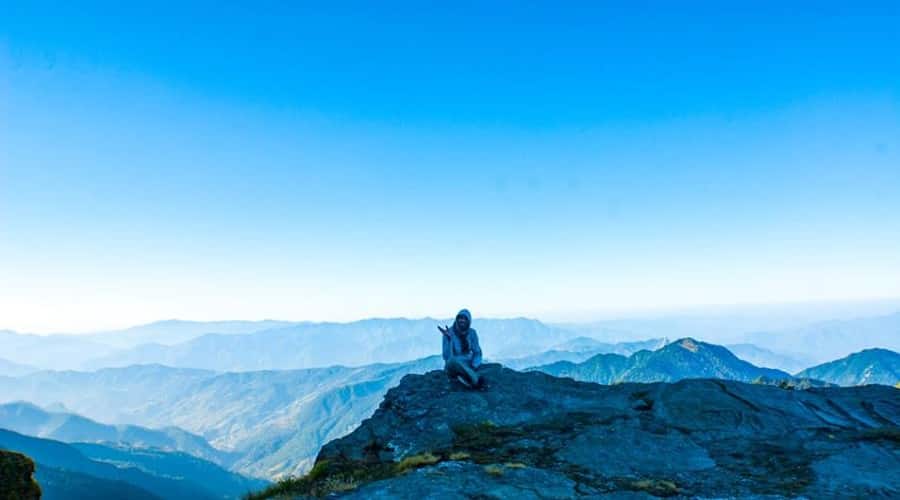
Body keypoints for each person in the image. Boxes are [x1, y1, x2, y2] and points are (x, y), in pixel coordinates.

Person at [438, 308, 483, 388]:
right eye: (460, 318)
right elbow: (446, 356)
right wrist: (449, 340)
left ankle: (466, 379)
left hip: (468, 363)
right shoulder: (449, 332)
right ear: (456, 319)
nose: (462, 320)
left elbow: (477, 352)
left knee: (466, 369)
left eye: (465, 318)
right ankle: (473, 380)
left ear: (468, 321)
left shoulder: (472, 333)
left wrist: (474, 365)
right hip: (453, 364)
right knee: (453, 362)